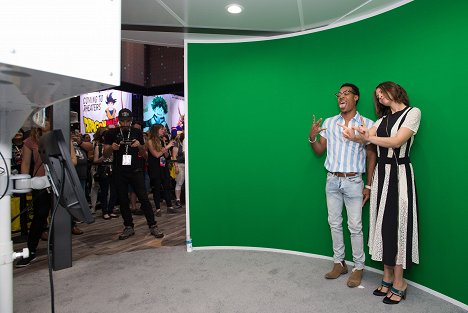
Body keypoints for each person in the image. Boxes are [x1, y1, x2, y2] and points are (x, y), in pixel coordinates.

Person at [340, 82, 421, 304]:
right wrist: (353, 135)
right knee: (383, 226)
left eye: (382, 93)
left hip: (400, 175)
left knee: (397, 226)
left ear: (393, 91)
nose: (380, 97)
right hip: (382, 177)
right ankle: (386, 279)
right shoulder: (382, 120)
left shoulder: (412, 113)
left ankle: (399, 282)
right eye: (377, 96)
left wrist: (368, 138)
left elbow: (396, 141)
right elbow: (365, 137)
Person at [309, 83, 376, 287]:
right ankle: (339, 263)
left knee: (355, 226)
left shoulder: (367, 122)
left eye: (346, 93)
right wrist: (312, 137)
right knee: (334, 223)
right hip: (332, 180)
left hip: (354, 181)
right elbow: (320, 150)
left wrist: (369, 185)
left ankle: (358, 266)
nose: (341, 96)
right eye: (339, 94)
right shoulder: (329, 122)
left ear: (356, 98)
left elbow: (372, 155)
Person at [103, 108, 164, 240]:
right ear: (118, 120)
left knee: (144, 198)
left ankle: (153, 225)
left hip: (136, 170)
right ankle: (128, 226)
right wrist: (111, 148)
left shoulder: (137, 132)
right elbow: (105, 154)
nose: (125, 123)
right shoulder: (111, 133)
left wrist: (139, 146)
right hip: (119, 171)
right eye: (122, 121)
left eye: (127, 121)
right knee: (123, 200)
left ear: (130, 121)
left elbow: (145, 155)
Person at [146, 124, 178, 215]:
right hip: (155, 167)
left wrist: (166, 149)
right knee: (156, 187)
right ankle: (158, 209)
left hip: (163, 166)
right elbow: (156, 155)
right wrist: (167, 147)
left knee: (167, 186)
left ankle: (169, 206)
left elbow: (166, 155)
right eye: (161, 129)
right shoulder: (150, 141)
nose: (163, 131)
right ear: (156, 130)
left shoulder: (162, 140)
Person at [171, 132, 185, 208]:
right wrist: (176, 166)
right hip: (180, 165)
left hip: (187, 166)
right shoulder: (178, 144)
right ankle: (178, 199)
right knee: (179, 182)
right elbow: (174, 156)